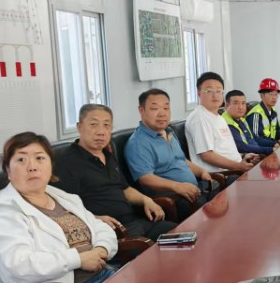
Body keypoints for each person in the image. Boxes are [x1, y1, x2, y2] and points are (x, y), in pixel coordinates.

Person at [0, 132, 118, 283]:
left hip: (104, 275)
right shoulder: (0, 215)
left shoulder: (61, 197)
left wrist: (101, 249)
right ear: (9, 172)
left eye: (39, 158)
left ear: (50, 166)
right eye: (21, 159)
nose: (32, 166)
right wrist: (78, 259)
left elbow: (100, 227)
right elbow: (19, 266)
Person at [55, 104, 177, 241]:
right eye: (94, 124)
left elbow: (124, 188)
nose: (101, 132)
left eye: (106, 125)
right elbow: (61, 211)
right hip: (110, 233)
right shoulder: (66, 163)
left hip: (135, 222)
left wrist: (146, 200)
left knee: (182, 234)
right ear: (79, 127)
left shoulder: (107, 154)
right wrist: (95, 219)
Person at [125, 88, 213, 220]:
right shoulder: (138, 143)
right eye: (155, 109)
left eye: (166, 108)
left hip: (194, 191)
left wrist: (201, 172)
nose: (162, 114)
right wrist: (177, 187)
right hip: (174, 200)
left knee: (226, 197)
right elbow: (145, 178)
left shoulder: (169, 132)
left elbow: (182, 160)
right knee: (212, 213)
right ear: (141, 110)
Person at [185, 72, 257, 175]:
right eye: (209, 91)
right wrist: (238, 166)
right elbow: (207, 155)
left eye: (219, 91)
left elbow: (225, 150)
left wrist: (243, 157)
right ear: (199, 93)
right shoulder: (199, 118)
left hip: (235, 169)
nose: (215, 95)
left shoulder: (219, 117)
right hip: (222, 176)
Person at [223, 90, 274, 156]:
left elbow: (254, 138)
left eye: (243, 103)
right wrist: (268, 150)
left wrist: (275, 144)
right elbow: (242, 147)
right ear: (227, 105)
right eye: (236, 103)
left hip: (255, 154)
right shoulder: (227, 124)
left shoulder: (241, 119)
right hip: (244, 158)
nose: (241, 107)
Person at [247, 78, 280, 150]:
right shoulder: (256, 114)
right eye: (271, 94)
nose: (274, 98)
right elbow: (256, 139)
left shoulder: (273, 111)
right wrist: (276, 142)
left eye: (276, 94)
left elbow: (276, 130)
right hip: (260, 150)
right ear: (262, 95)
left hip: (272, 147)